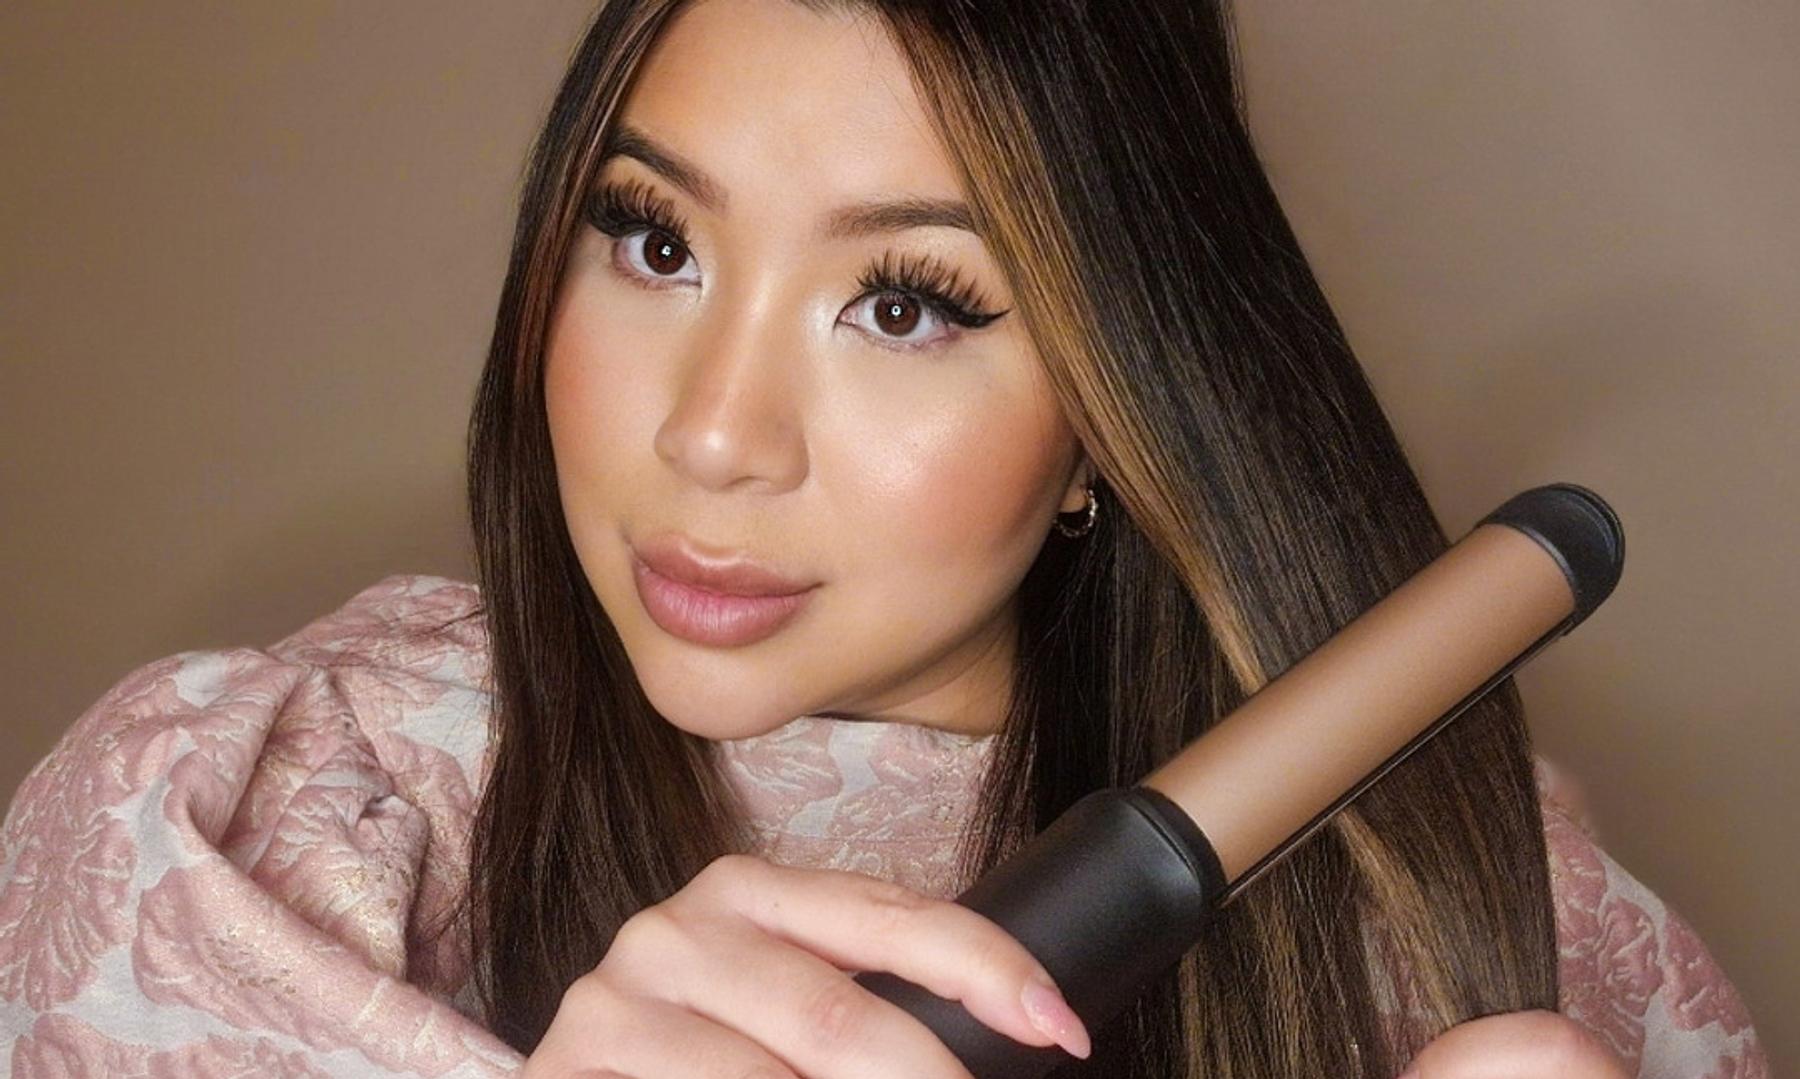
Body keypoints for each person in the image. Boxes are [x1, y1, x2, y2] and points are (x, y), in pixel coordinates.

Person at [0, 0, 1769, 1076]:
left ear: (1109, 414)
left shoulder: (1470, 922)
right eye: (656, 242)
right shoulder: (249, 830)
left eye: (907, 304)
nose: (713, 433)